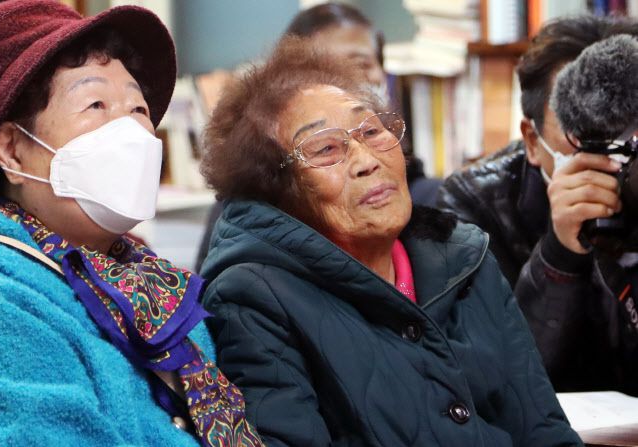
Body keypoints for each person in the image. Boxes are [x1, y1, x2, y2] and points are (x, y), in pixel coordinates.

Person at [198, 36, 581, 446]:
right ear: (274, 187)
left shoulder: (466, 257)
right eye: (326, 149)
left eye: (372, 131)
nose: (367, 161)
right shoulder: (252, 298)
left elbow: (545, 430)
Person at [0, 1, 262, 446]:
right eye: (96, 104)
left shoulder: (152, 282)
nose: (132, 133)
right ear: (12, 151)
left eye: (138, 109)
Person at [436, 15, 638, 394]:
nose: (617, 145)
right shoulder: (475, 205)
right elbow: (498, 380)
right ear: (532, 139)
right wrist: (559, 254)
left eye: (629, 120)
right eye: (585, 122)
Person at [194, 2, 441, 272]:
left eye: (371, 131)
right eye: (325, 148)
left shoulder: (437, 205)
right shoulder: (246, 243)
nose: (337, 83)